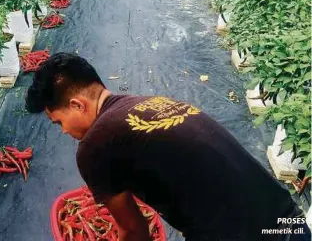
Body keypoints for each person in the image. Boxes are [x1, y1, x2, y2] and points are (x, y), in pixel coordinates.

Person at [26, 53, 311, 241]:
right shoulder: (145, 103)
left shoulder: (93, 145)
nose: (63, 131)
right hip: (289, 223)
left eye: (58, 122)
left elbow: (135, 233)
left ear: (77, 104)